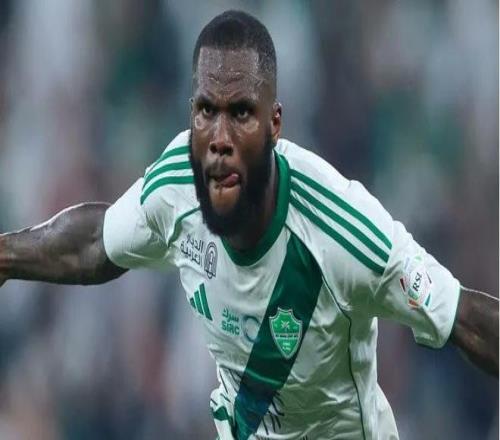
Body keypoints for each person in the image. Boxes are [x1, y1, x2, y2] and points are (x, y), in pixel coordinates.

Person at [0, 10, 497, 440]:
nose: (220, 138)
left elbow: (464, 318)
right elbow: (95, 241)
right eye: (206, 112)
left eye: (240, 113)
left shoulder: (343, 231)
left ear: (274, 123)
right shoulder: (176, 186)